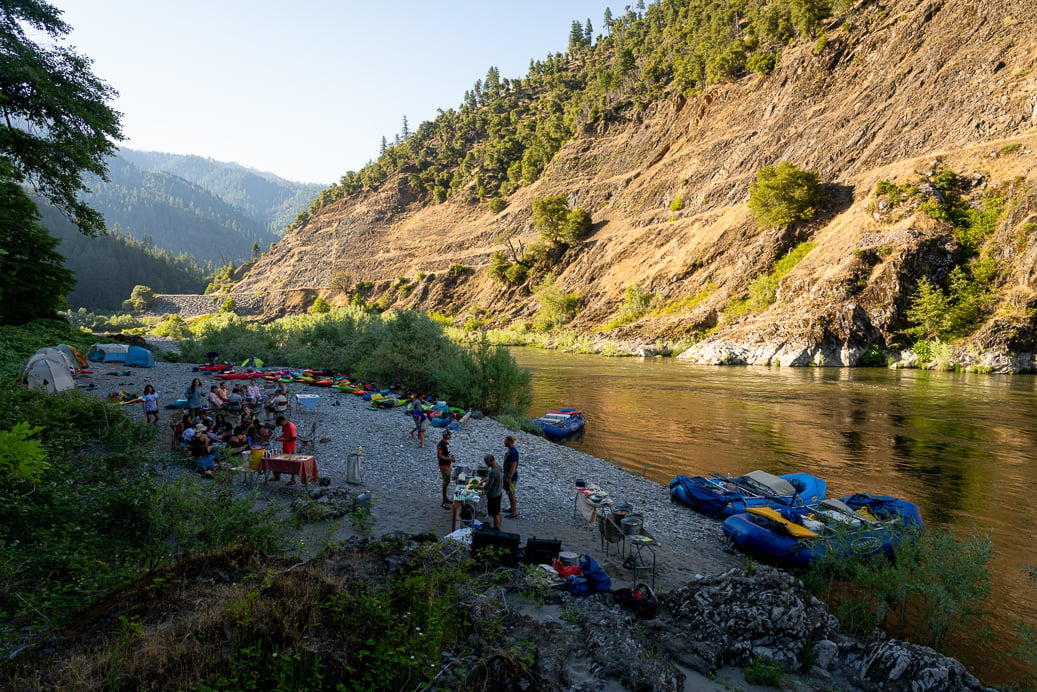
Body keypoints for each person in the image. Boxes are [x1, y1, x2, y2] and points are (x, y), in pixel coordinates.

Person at [270, 415, 298, 482]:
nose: (281, 425)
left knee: (291, 463)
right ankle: (277, 476)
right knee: (279, 461)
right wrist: (279, 437)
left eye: (281, 424)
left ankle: (293, 479)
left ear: (283, 421)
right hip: (285, 447)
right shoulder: (285, 426)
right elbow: (284, 434)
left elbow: (294, 438)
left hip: (290, 448)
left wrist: (282, 440)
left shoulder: (291, 426)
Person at [482, 453, 503, 530]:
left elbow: (488, 485)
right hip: (499, 492)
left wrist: (480, 487)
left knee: (495, 513)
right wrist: (484, 480)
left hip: (493, 495)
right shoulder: (498, 467)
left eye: (487, 463)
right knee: (498, 511)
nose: (487, 465)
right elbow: (491, 478)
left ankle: (497, 529)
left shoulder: (493, 471)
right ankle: (498, 526)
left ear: (490, 461)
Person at [437, 430, 456, 509]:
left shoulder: (445, 444)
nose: (450, 436)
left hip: (447, 464)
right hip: (444, 465)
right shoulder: (441, 444)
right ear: (445, 435)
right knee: (446, 481)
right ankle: (444, 501)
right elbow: (439, 455)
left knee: (447, 481)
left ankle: (445, 498)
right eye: (449, 435)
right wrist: (449, 459)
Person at [503, 435, 520, 519]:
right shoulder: (510, 451)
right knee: (509, 493)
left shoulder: (513, 452)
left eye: (505, 440)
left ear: (509, 441)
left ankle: (514, 513)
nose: (504, 442)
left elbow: (514, 465)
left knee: (511, 493)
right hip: (507, 475)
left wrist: (509, 477)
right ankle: (511, 508)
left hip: (511, 477)